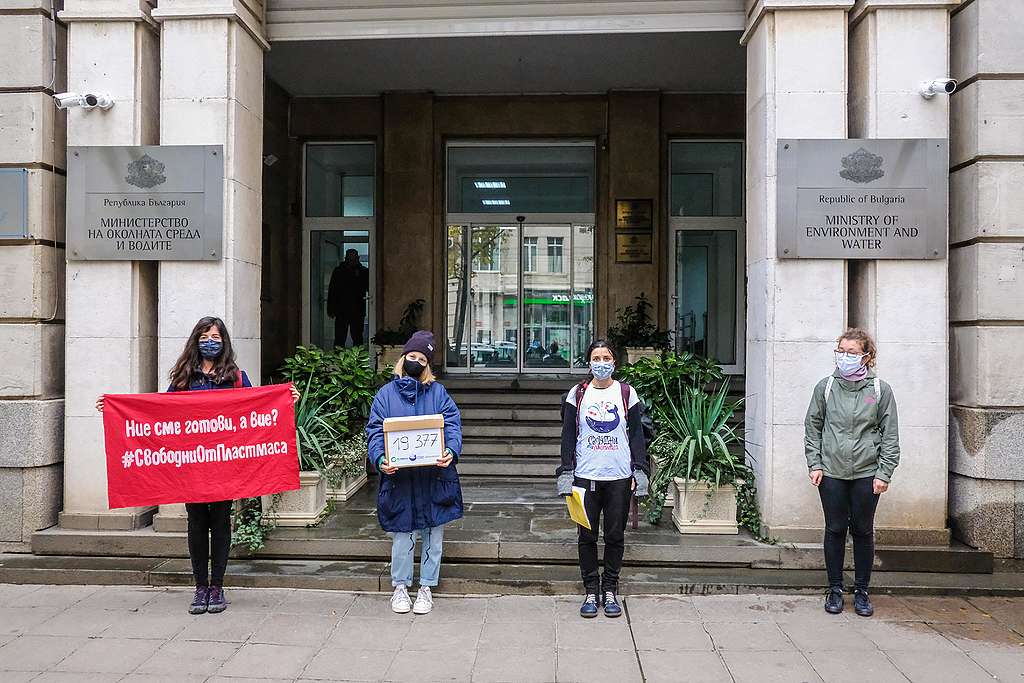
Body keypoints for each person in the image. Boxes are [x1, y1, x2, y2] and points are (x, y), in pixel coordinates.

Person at [95, 316, 299, 616]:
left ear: (224, 341)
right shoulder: (183, 379)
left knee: (220, 524)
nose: (210, 341)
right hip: (192, 469)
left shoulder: (235, 377)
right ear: (195, 340)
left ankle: (217, 586)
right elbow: (158, 416)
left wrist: (286, 399)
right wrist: (114, 409)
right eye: (204, 335)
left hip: (224, 467)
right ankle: (200, 586)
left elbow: (257, 410)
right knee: (196, 525)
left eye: (215, 335)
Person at [804, 327, 900, 617]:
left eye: (852, 352)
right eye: (841, 351)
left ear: (866, 357)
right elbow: (813, 426)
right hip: (831, 471)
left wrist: (884, 472)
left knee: (862, 530)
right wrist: (815, 463)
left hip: (866, 472)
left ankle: (861, 591)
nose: (845, 357)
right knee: (834, 529)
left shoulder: (879, 390)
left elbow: (890, 434)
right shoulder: (826, 387)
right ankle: (834, 589)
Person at [366, 330, 463, 615]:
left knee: (434, 537)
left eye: (422, 358)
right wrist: (380, 458)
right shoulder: (385, 395)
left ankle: (426, 588)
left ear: (428, 364)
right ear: (403, 357)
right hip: (400, 480)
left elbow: (453, 425)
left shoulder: (438, 393)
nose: (416, 361)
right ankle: (400, 587)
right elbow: (374, 431)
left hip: (434, 478)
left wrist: (451, 451)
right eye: (412, 356)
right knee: (402, 536)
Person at [556, 340, 650, 618]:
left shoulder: (626, 393)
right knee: (586, 536)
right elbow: (568, 435)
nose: (601, 362)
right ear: (589, 363)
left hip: (618, 476)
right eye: (596, 357)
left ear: (614, 362)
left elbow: (636, 435)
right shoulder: (578, 394)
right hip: (585, 476)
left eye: (606, 357)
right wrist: (565, 471)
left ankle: (609, 588)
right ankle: (590, 590)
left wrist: (639, 469)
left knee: (614, 536)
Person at [327, 248, 369, 348]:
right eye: (350, 259)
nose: (352, 262)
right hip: (342, 310)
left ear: (358, 258)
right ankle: (338, 360)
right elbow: (332, 290)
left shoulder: (363, 272)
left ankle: (357, 360)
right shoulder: (339, 271)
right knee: (340, 338)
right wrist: (331, 309)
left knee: (357, 338)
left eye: (353, 259)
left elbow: (369, 288)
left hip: (357, 310)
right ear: (346, 259)